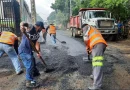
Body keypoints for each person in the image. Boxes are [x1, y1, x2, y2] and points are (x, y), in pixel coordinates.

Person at [19, 21, 44, 88]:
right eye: (41, 28)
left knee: (32, 59)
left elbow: (37, 43)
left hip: (29, 50)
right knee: (29, 63)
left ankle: (34, 72)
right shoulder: (31, 27)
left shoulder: (38, 33)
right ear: (39, 26)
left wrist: (38, 52)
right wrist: (22, 26)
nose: (42, 29)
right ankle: (29, 81)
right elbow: (24, 23)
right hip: (23, 50)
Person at [82, 24, 107, 90]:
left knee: (97, 64)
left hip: (97, 45)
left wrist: (87, 48)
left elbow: (86, 39)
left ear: (83, 27)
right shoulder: (93, 28)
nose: (82, 30)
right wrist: (90, 49)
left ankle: (97, 86)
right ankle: (94, 75)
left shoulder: (86, 27)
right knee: (95, 61)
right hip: (102, 44)